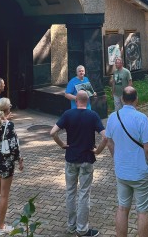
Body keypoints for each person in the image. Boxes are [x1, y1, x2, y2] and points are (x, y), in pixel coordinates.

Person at [50, 90, 107, 237]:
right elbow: (105, 137)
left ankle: (71, 226)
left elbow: (52, 132)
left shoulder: (68, 114)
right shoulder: (93, 115)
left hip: (70, 158)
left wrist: (62, 144)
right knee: (84, 194)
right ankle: (82, 229)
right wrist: (98, 150)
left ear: (76, 101)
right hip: (86, 159)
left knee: (70, 192)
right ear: (88, 102)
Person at [106, 86, 148, 237]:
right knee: (142, 211)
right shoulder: (142, 118)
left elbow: (109, 143)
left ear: (122, 99)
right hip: (141, 173)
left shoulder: (112, 117)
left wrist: (117, 159)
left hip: (122, 172)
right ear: (137, 99)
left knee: (122, 208)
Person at [0, 98, 23, 236]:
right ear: (8, 109)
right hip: (6, 163)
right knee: (4, 195)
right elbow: (14, 146)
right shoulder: (9, 125)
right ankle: (1, 226)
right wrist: (19, 160)